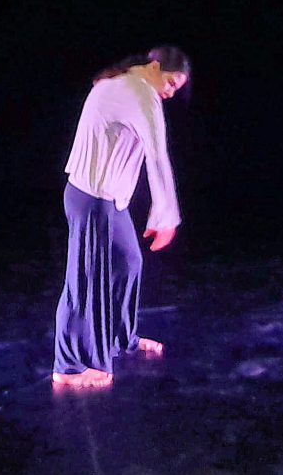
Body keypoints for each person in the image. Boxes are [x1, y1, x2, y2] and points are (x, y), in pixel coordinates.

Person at [52, 45, 191, 389]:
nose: (171, 92)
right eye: (171, 83)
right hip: (92, 199)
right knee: (84, 282)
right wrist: (166, 216)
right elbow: (157, 156)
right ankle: (67, 366)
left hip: (110, 201)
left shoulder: (124, 84)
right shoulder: (137, 93)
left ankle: (119, 338)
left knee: (129, 263)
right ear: (155, 66)